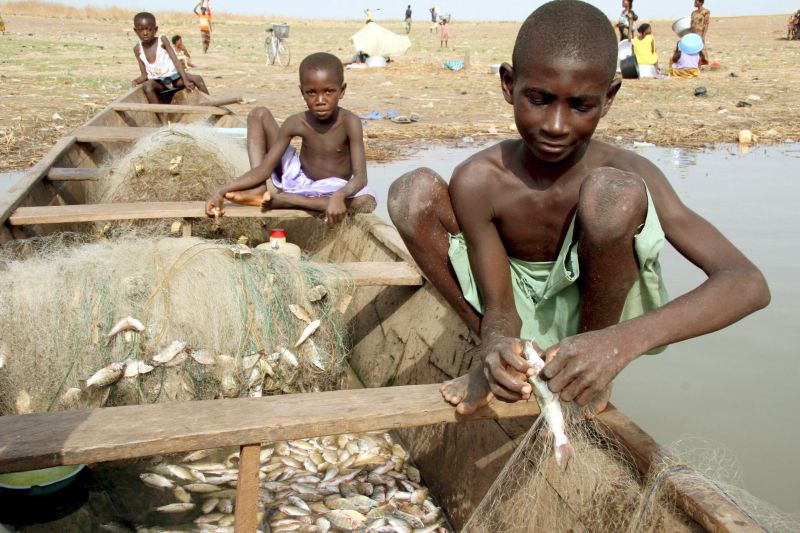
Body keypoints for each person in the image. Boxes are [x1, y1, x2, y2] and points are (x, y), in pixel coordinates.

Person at [387, 0, 769, 417]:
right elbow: (499, 305)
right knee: (411, 194)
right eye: (538, 98)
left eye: (580, 105)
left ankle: (584, 373)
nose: (555, 125)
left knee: (613, 195)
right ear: (508, 84)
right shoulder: (480, 180)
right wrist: (495, 340)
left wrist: (617, 343)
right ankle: (500, 360)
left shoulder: (627, 171)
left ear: (609, 98)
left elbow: (747, 282)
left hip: (600, 318)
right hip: (507, 305)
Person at [206, 52, 377, 226]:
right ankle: (258, 190)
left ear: (342, 91)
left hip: (332, 190)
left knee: (367, 201)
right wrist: (221, 190)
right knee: (258, 113)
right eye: (311, 92)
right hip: (298, 180)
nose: (320, 100)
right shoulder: (296, 122)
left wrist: (340, 195)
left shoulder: (350, 122)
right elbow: (264, 170)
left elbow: (361, 178)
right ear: (301, 92)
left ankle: (288, 200)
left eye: (329, 91)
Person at [131, 12, 209, 124]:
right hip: (159, 84)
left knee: (197, 79)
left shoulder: (162, 41)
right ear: (135, 31)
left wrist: (186, 80)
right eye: (141, 29)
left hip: (175, 80)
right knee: (147, 86)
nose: (145, 33)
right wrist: (135, 81)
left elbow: (176, 62)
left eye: (149, 29)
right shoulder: (137, 49)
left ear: (155, 29)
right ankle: (162, 118)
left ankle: (210, 109)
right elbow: (145, 75)